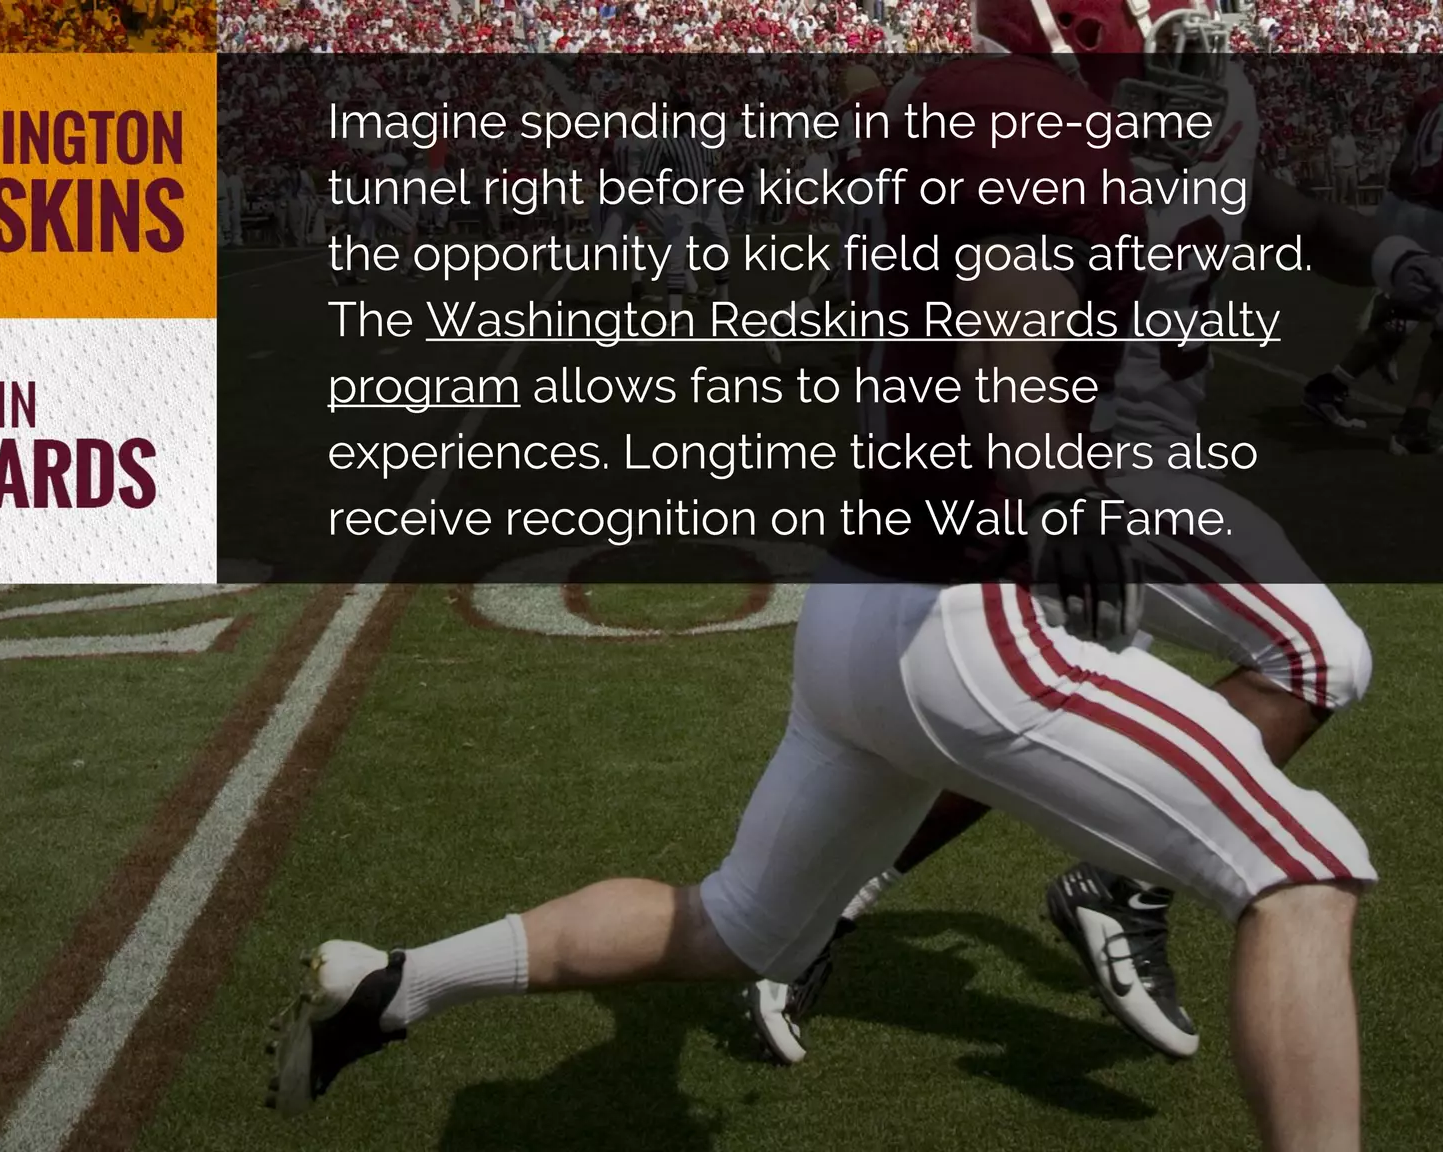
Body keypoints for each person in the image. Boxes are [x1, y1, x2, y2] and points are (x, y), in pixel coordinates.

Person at [268, 29, 1380, 1152]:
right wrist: (1057, 485)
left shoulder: (958, 115)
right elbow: (1002, 335)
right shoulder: (1031, 129)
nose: (1158, 74)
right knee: (1303, 866)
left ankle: (401, 982)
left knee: (733, 925)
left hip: (855, 611)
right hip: (964, 614)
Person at [750, 0, 1443, 1068]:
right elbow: (1002, 320)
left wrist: (1391, 250)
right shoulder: (1034, 114)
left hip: (1086, 452)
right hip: (1090, 453)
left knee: (1033, 710)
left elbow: (1278, 208)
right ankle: (1123, 882)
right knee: (1319, 653)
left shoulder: (1184, 95)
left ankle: (812, 912)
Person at [1306, 81, 1443, 454]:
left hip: (1409, 207)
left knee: (1403, 315)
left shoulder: (1432, 97)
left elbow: (1401, 166)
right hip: (1436, 216)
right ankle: (1413, 425)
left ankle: (1332, 387)